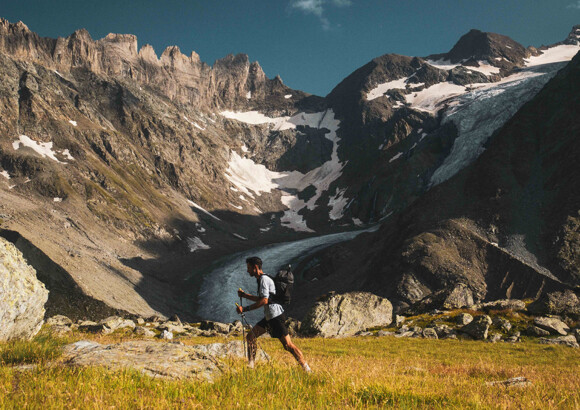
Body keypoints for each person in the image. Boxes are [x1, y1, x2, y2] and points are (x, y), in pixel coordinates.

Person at [236, 256, 311, 372]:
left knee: (288, 345)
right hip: (270, 316)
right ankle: (250, 367)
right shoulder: (261, 279)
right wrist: (245, 296)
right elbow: (263, 298)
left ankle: (307, 368)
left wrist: (245, 309)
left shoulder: (264, 280)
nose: (247, 271)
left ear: (255, 267)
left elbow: (264, 300)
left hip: (275, 316)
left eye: (249, 268)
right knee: (250, 336)